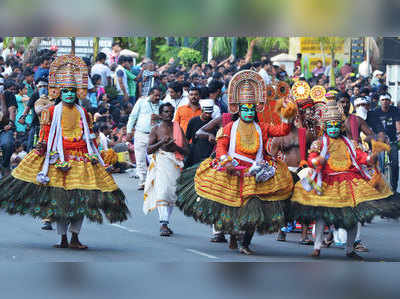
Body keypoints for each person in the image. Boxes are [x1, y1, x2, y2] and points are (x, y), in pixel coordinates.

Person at [0, 55, 130, 249]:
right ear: (59, 92)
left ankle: (75, 237)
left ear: (77, 92)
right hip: (57, 159)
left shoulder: (84, 113)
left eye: (72, 91)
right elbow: (44, 136)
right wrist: (40, 149)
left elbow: (91, 138)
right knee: (61, 202)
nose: (69, 94)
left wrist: (100, 156)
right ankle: (62, 239)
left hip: (82, 160)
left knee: (81, 199)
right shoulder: (50, 112)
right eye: (65, 91)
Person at [176, 70, 297, 255]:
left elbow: (281, 130)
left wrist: (287, 115)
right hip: (232, 171)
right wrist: (226, 162)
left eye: (251, 109)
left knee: (252, 211)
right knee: (232, 209)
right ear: (238, 110)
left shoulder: (262, 127)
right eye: (245, 109)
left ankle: (245, 243)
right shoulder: (229, 127)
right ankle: (232, 234)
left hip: (255, 174)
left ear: (256, 109)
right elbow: (222, 146)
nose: (249, 112)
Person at [290, 96, 399, 260]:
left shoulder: (350, 143)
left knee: (352, 217)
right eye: (330, 126)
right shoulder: (319, 143)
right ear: (326, 126)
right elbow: (312, 158)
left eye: (336, 126)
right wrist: (316, 160)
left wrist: (372, 157)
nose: (333, 129)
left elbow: (363, 158)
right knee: (321, 216)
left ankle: (350, 249)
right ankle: (317, 247)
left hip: (350, 183)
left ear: (340, 126)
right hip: (326, 182)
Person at [270, 90, 319, 245]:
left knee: (306, 202)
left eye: (293, 115)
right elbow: (271, 156)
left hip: (304, 171)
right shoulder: (278, 136)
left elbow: (316, 150)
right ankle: (281, 230)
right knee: (284, 202)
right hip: (286, 172)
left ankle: (305, 235)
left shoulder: (305, 134)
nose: (290, 119)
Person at [143, 103, 189, 236]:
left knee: (172, 193)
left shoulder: (178, 128)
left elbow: (186, 150)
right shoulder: (156, 129)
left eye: (170, 112)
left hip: (175, 164)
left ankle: (166, 221)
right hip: (161, 163)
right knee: (162, 192)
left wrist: (175, 147)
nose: (168, 114)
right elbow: (149, 150)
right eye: (165, 112)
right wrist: (161, 143)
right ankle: (163, 224)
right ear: (161, 114)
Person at [126, 87, 162, 190]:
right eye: (155, 95)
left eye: (159, 95)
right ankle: (142, 181)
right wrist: (129, 131)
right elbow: (133, 116)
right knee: (140, 158)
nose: (157, 97)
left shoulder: (162, 103)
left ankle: (153, 181)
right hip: (140, 133)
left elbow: (168, 117)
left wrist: (159, 117)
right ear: (150, 94)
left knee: (154, 158)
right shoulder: (141, 102)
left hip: (155, 135)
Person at [367, 93, 400, 192]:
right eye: (383, 100)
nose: (385, 102)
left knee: (394, 164)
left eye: (387, 100)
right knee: (379, 165)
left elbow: (398, 123)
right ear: (379, 102)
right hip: (379, 141)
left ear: (390, 101)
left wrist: (399, 134)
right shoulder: (375, 112)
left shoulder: (395, 110)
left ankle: (394, 187)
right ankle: (379, 188)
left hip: (392, 140)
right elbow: (370, 128)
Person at [185, 99, 215, 167]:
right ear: (202, 110)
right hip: (195, 152)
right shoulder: (193, 121)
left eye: (210, 113)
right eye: (206, 113)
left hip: (208, 153)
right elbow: (187, 138)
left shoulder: (213, 123)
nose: (208, 115)